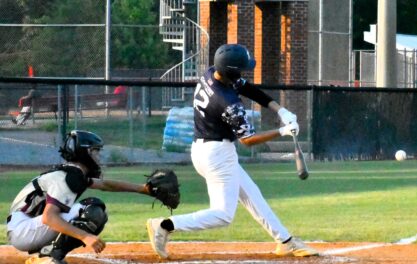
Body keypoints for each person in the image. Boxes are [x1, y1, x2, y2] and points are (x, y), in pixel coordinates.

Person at [147, 44, 319, 258]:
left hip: (204, 150)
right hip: (218, 155)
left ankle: (285, 240)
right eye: (241, 69)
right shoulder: (228, 103)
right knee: (223, 215)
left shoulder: (212, 72)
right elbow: (247, 140)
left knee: (252, 195)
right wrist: (282, 131)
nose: (244, 73)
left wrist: (280, 110)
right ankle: (165, 225)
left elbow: (248, 88)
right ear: (231, 72)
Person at [6, 130, 155, 264]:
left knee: (96, 210)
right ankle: (48, 257)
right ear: (84, 153)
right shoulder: (68, 178)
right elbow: (49, 218)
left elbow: (106, 185)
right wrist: (85, 236)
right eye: (95, 151)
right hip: (23, 229)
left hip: (26, 226)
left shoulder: (73, 174)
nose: (99, 156)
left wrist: (143, 189)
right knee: (92, 210)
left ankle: (47, 254)